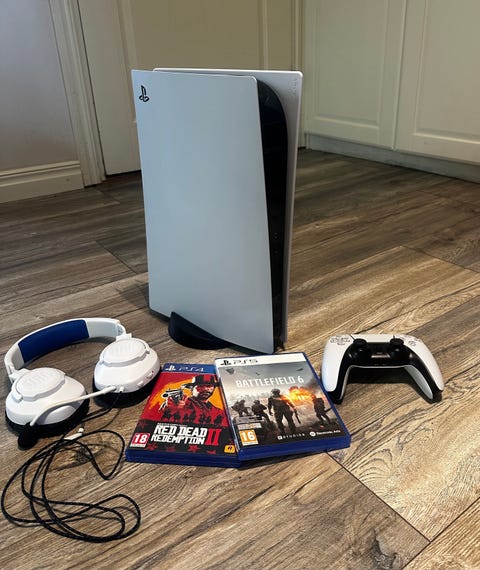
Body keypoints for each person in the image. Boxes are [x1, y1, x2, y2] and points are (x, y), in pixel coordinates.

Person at [160, 374, 227, 425]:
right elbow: (166, 409)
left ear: (214, 388)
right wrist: (170, 407)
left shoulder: (218, 411)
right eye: (200, 386)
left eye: (209, 386)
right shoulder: (186, 402)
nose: (205, 389)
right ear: (191, 389)